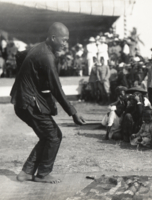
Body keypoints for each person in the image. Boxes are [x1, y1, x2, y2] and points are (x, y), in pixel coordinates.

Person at [10, 22, 86, 184]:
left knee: (48, 136)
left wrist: (31, 81)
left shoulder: (40, 48)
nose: (66, 44)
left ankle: (26, 172)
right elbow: (56, 89)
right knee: (54, 136)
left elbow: (20, 56)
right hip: (28, 103)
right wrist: (73, 112)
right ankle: (43, 174)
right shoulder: (47, 57)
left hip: (23, 100)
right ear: (53, 38)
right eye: (63, 40)